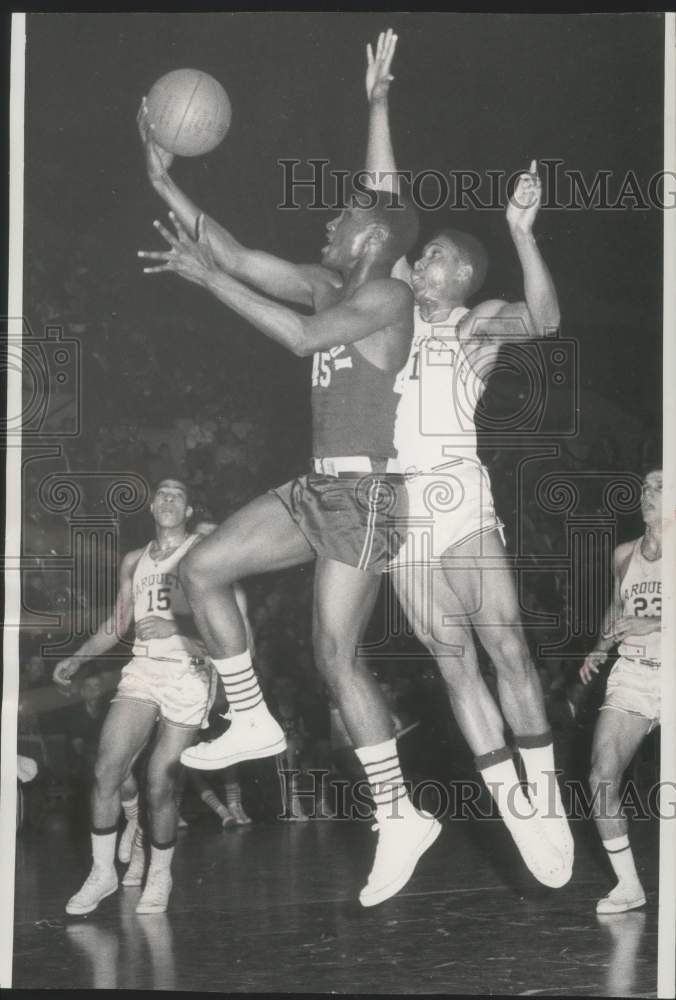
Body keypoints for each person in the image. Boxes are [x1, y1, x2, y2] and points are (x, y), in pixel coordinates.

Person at [137, 95, 441, 907]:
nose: (328, 229)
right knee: (201, 570)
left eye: (341, 220)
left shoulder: (389, 301)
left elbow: (304, 339)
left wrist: (207, 285)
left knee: (335, 656)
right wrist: (167, 185)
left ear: (373, 240)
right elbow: (234, 254)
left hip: (367, 493)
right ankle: (251, 718)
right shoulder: (323, 283)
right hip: (317, 487)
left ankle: (399, 814)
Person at [361, 30, 572, 886]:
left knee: (506, 643)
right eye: (422, 254)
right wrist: (376, 104)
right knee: (450, 659)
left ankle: (546, 792)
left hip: (458, 488)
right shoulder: (389, 310)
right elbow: (381, 206)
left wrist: (521, 233)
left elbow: (549, 325)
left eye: (436, 255)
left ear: (458, 276)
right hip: (399, 502)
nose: (420, 260)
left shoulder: (475, 322)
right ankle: (514, 809)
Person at [53, 479, 230, 915]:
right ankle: (102, 872)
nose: (169, 498)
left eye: (179, 494)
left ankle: (160, 873)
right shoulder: (134, 561)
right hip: (143, 670)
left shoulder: (202, 553)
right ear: (151, 506)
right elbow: (117, 624)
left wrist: (179, 631)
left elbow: (229, 631)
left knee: (158, 784)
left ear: (189, 510)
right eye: (162, 493)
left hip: (191, 672)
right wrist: (76, 659)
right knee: (107, 768)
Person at [579, 467, 662, 914]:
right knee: (601, 777)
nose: (647, 494)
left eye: (660, 487)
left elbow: (647, 616)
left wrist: (655, 623)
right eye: (645, 487)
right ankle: (629, 886)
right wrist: (600, 646)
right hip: (633, 672)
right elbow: (619, 607)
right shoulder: (625, 554)